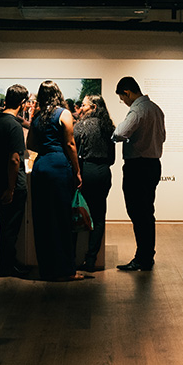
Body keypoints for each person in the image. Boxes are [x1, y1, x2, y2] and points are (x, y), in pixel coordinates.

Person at [26, 80, 85, 281]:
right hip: (59, 166)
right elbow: (70, 143)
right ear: (58, 93)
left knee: (43, 219)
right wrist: (77, 171)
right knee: (61, 219)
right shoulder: (64, 114)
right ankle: (66, 270)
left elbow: (30, 144)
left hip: (41, 167)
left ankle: (47, 269)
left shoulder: (37, 116)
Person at [111, 76, 166, 271]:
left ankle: (142, 258)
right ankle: (146, 255)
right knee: (147, 212)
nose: (123, 102)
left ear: (127, 92)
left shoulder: (137, 110)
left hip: (138, 167)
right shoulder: (156, 109)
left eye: (122, 98)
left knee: (138, 213)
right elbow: (163, 137)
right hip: (153, 164)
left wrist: (115, 132)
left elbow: (119, 134)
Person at [0, 84, 30, 276]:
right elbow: (14, 159)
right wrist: (12, 188)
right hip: (11, 184)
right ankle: (7, 266)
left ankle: (7, 263)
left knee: (6, 224)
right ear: (23, 102)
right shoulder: (13, 125)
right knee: (11, 228)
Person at [74, 93, 116, 271]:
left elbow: (73, 151)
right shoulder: (109, 127)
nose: (81, 108)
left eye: (84, 105)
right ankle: (91, 260)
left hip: (86, 171)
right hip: (103, 172)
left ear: (93, 107)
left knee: (78, 213)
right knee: (99, 217)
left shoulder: (80, 126)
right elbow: (112, 158)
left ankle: (71, 259)